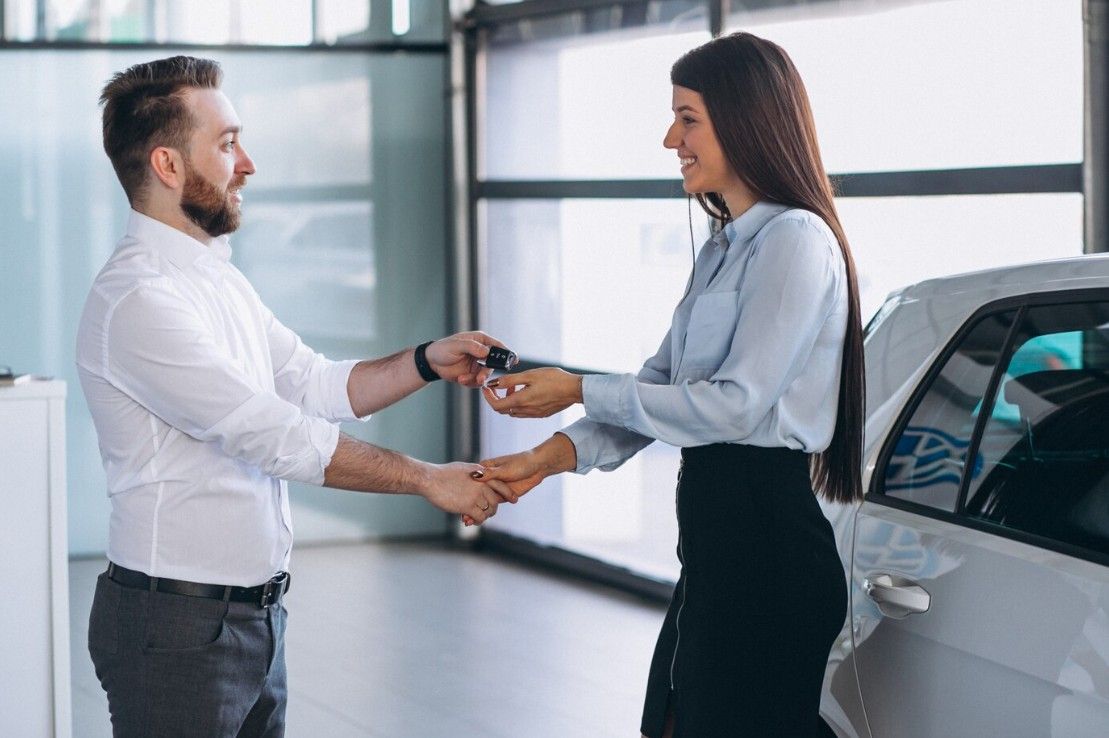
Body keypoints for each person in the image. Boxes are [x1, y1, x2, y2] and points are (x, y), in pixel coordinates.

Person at [76, 55, 512, 737]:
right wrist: (429, 481)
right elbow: (273, 436)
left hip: (251, 617)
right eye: (225, 144)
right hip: (177, 629)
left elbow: (315, 385)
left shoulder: (217, 280)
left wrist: (428, 360)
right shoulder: (139, 298)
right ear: (166, 165)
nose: (245, 163)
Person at [477, 32, 865, 738]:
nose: (669, 139)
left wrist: (576, 388)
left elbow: (732, 405)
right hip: (719, 552)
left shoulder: (794, 241)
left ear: (745, 119)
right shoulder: (723, 248)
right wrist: (546, 458)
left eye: (687, 118)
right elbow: (659, 387)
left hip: (767, 556)